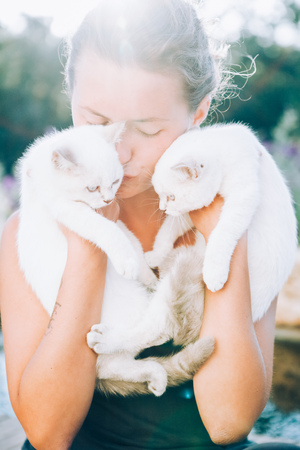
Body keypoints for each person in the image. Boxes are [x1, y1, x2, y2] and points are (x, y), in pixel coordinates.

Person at [0, 1, 298, 449]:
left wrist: (224, 240)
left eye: (147, 128)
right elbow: (47, 433)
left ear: (198, 113)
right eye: (96, 120)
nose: (119, 154)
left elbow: (228, 421)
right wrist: (89, 246)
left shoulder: (246, 216)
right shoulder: (27, 234)